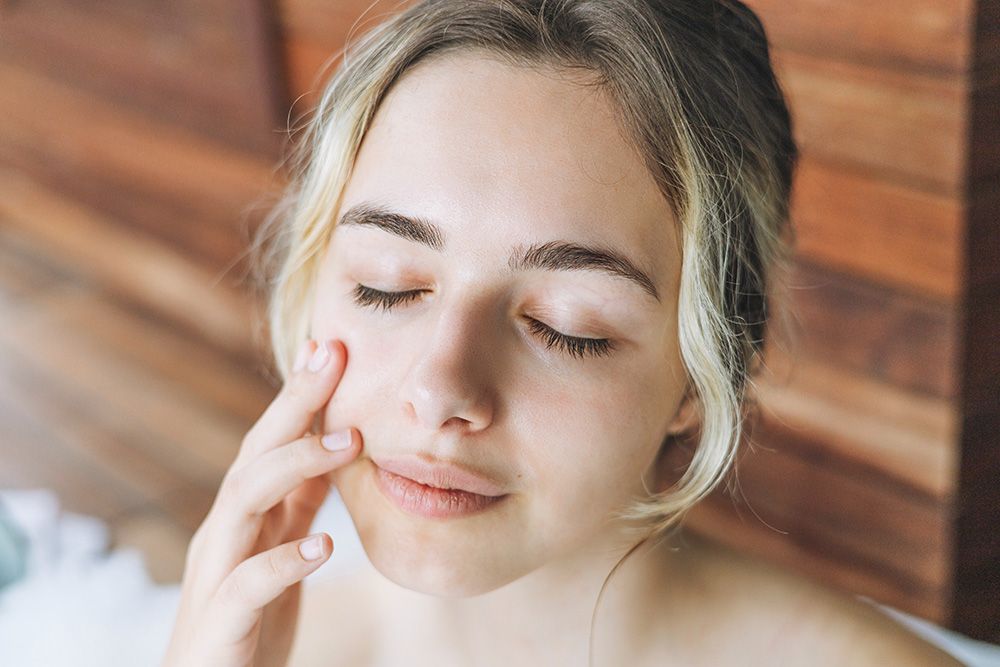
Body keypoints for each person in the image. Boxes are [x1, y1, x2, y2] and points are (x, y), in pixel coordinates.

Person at [161, 1, 966, 665]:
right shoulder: (240, 646)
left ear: (703, 371)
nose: (439, 389)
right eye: (387, 286)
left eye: (565, 328)